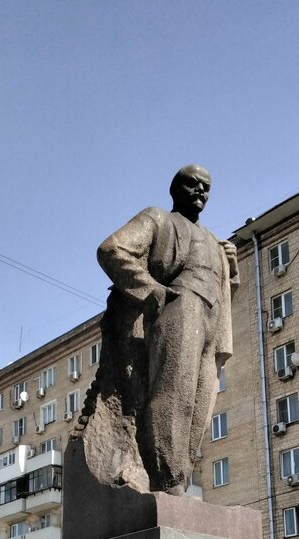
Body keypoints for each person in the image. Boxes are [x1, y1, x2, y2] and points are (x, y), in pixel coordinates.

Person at [79, 164, 239, 494]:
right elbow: (112, 249)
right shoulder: (158, 218)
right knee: (175, 396)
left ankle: (178, 478)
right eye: (193, 184)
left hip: (213, 321)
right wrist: (151, 290)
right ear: (175, 189)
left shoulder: (215, 241)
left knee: (201, 405)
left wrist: (231, 268)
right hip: (180, 307)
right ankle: (168, 480)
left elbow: (224, 289)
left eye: (206, 187)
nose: (201, 191)